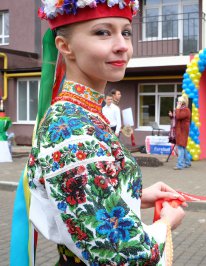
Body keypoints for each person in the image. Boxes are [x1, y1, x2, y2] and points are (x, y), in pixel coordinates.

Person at [10, 1, 185, 265]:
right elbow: (123, 255)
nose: (122, 45)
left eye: (126, 32)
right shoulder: (70, 129)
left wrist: (137, 195)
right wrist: (166, 223)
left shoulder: (85, 114)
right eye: (103, 32)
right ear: (64, 46)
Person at [169, 95, 191, 170]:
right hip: (180, 131)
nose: (177, 103)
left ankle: (180, 165)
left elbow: (178, 117)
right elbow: (176, 118)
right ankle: (187, 163)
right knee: (183, 147)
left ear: (182, 103)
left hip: (182, 131)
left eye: (178, 102)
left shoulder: (186, 110)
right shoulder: (181, 110)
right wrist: (172, 116)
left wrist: (177, 108)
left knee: (180, 147)